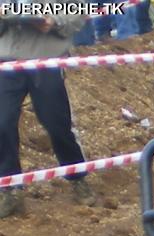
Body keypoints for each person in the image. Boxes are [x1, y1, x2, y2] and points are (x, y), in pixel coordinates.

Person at [0, 5, 97, 218]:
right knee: (2, 123)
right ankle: (9, 188)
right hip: (7, 60)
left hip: (47, 59)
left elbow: (78, 11)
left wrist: (55, 21)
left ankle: (77, 177)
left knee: (56, 123)